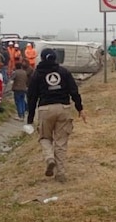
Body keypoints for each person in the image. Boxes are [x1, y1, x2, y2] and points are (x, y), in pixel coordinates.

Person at [27, 48, 85, 183]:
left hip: (45, 109)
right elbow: (74, 91)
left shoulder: (37, 74)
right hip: (64, 108)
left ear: (42, 58)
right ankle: (61, 174)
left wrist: (30, 118)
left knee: (44, 138)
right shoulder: (64, 72)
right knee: (61, 143)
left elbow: (32, 97)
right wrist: (80, 109)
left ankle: (49, 158)